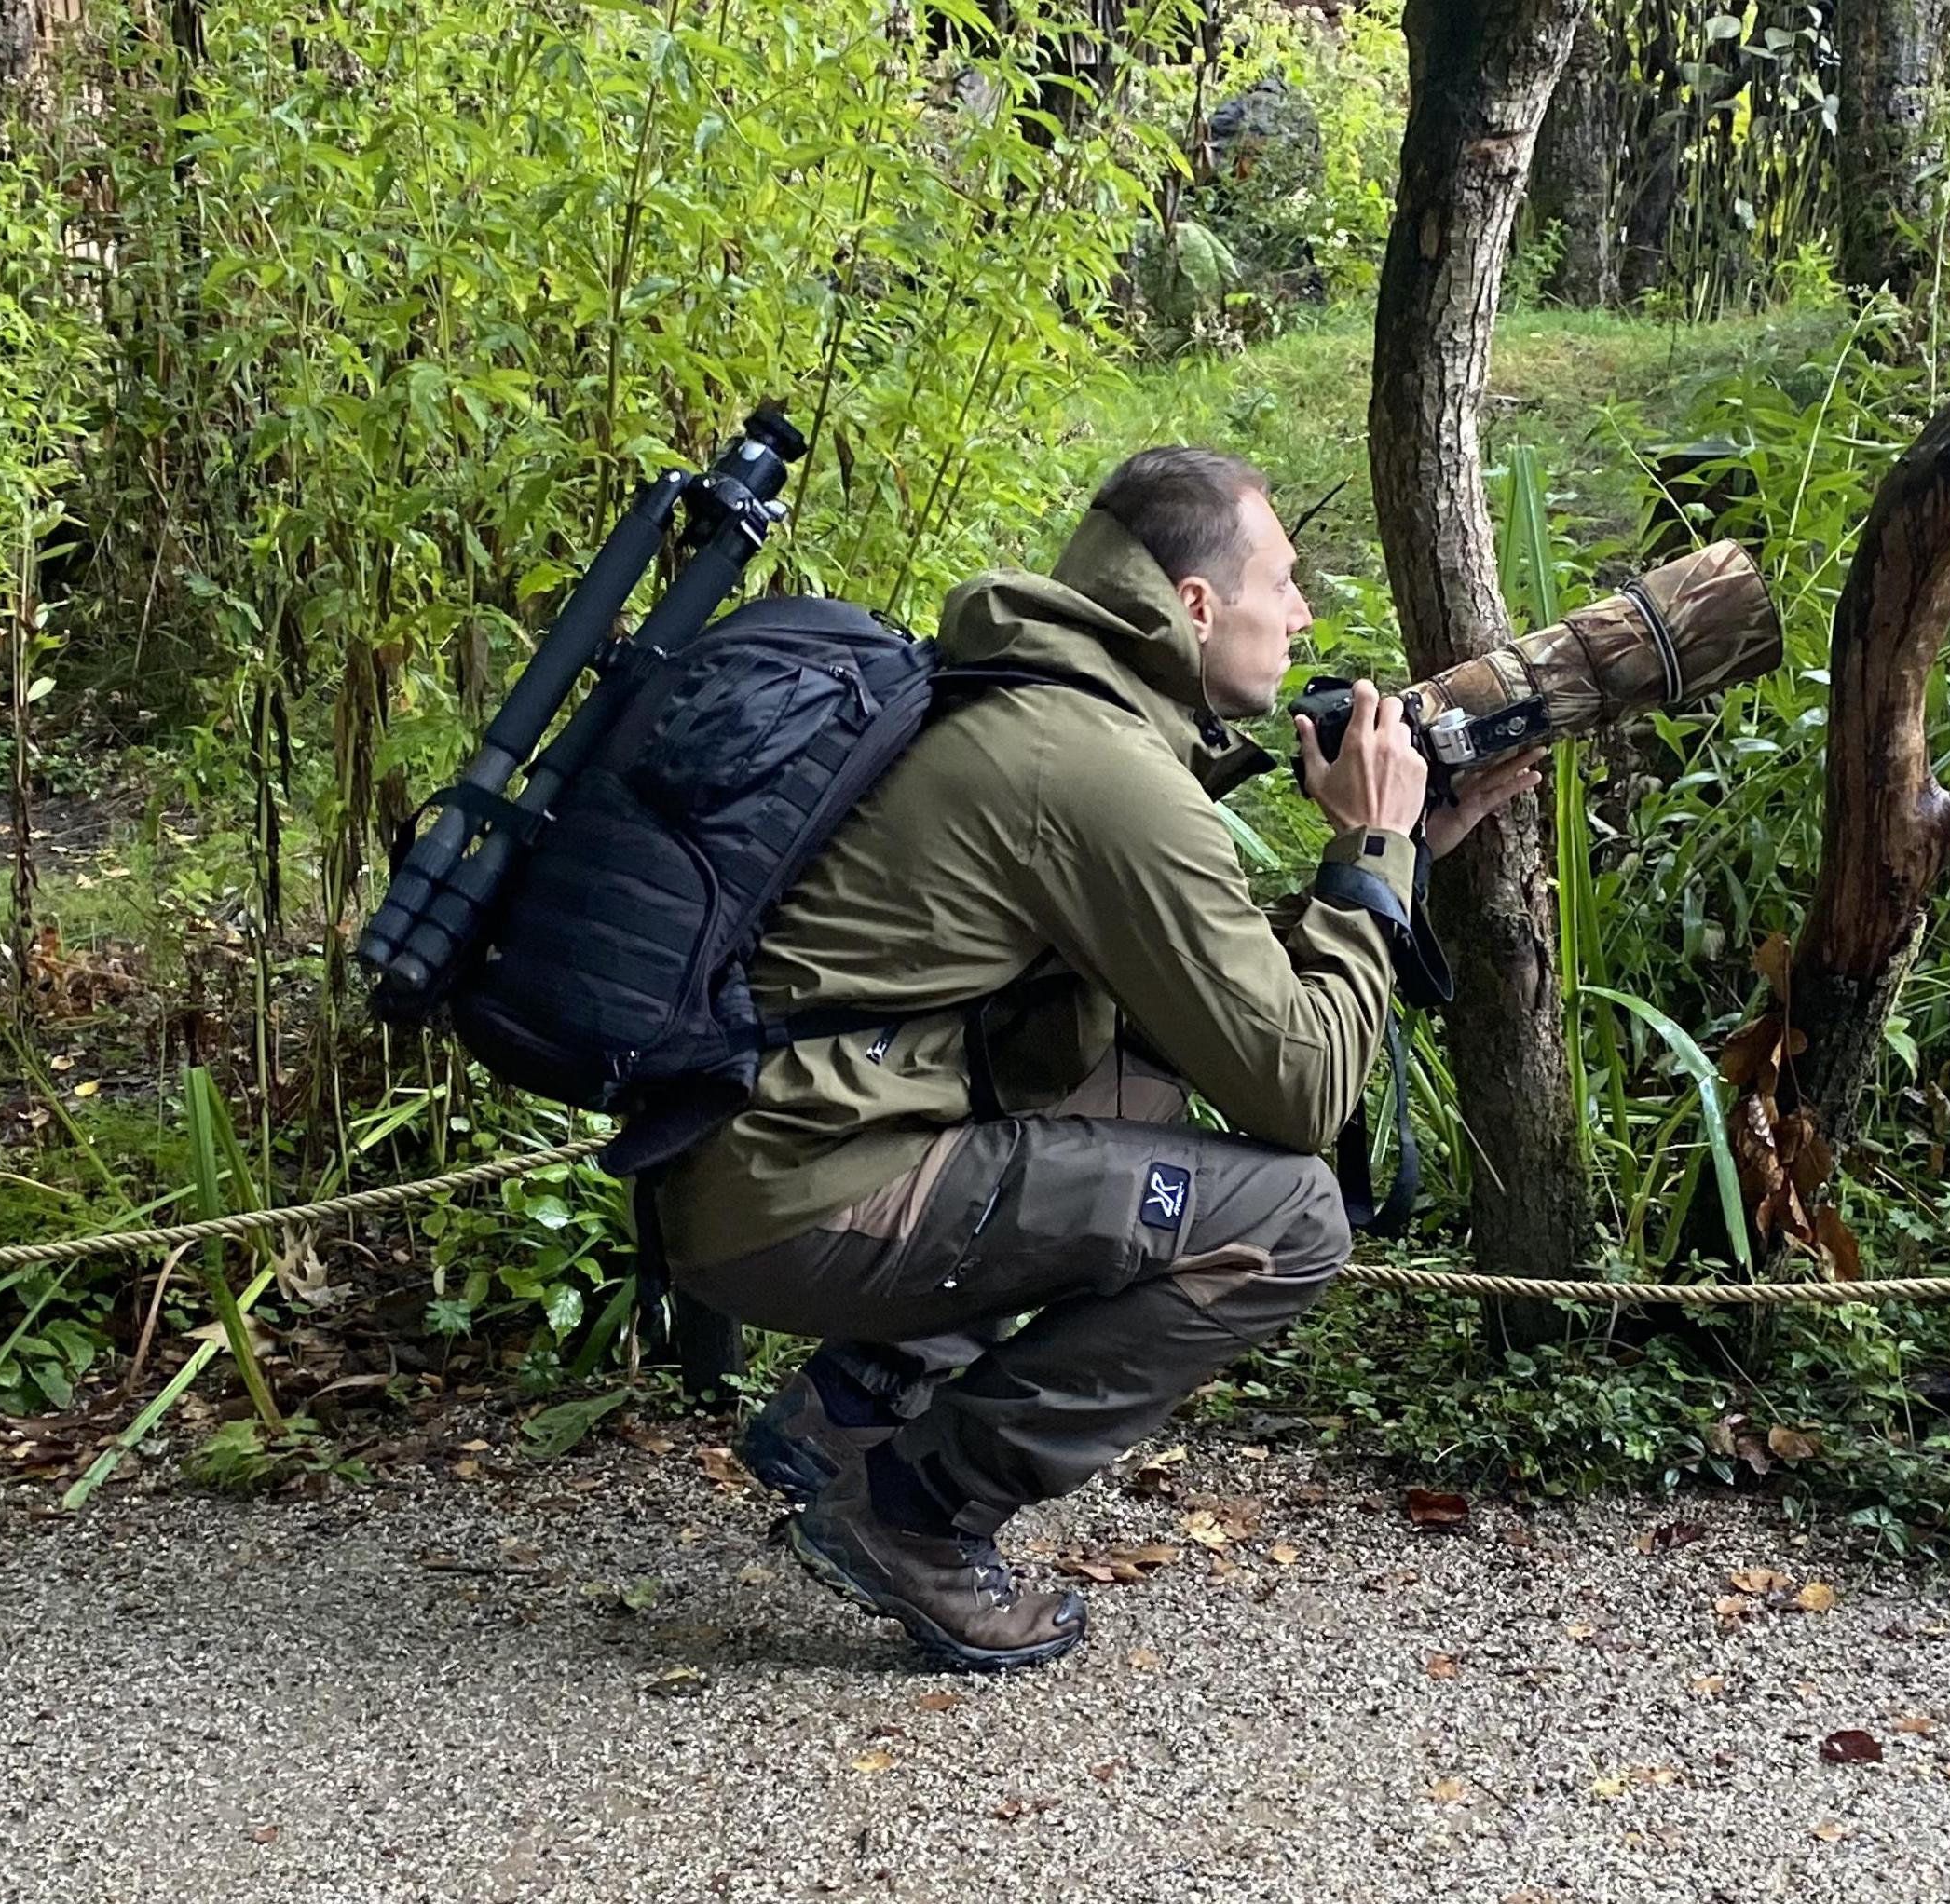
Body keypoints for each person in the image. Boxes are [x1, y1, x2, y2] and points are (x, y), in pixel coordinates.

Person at [656, 448, 1539, 1672]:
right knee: (1287, 1220)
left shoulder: (1034, 697)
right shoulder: (1103, 771)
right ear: (1190, 605)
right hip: (807, 1197)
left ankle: (847, 1410)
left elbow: (1221, 1014)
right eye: (1280, 583)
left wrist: (1392, 858)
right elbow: (1304, 1091)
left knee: (1131, 1078)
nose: (1303, 614)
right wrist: (1370, 854)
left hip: (761, 1165)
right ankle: (912, 1509)